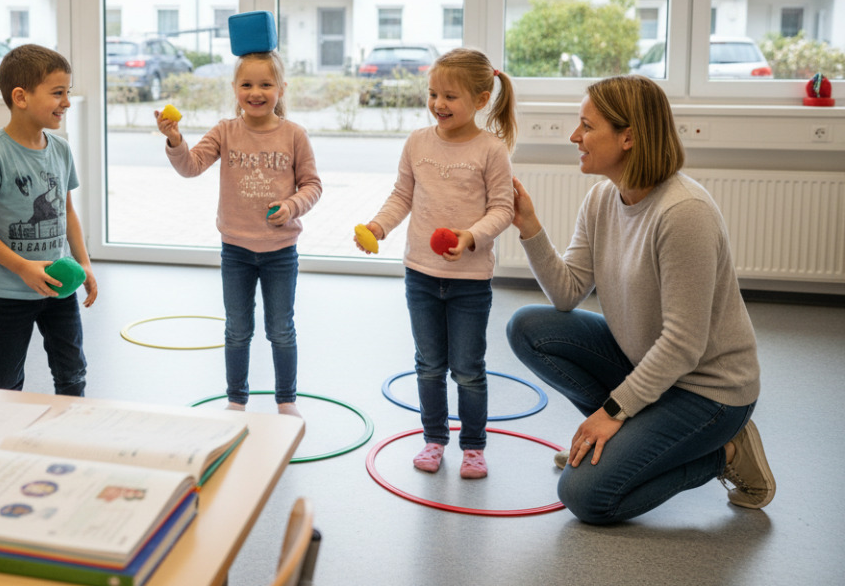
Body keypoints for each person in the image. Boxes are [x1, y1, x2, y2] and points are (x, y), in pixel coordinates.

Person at [505, 74, 774, 524]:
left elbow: (684, 344)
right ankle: (622, 441)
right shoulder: (601, 200)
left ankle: (725, 453)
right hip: (653, 369)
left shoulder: (684, 213)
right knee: (529, 328)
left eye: (587, 126)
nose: (575, 137)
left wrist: (611, 411)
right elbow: (567, 293)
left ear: (628, 137)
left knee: (585, 496)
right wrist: (529, 226)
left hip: (710, 394)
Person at [357, 48, 516, 479]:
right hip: (421, 275)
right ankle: (433, 439)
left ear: (482, 100)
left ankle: (473, 446)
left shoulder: (491, 150)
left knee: (467, 369)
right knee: (428, 365)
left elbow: (503, 208)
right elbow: (402, 197)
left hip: (469, 280)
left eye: (450, 96)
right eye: (432, 94)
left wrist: (471, 237)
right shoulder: (417, 143)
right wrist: (379, 226)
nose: (438, 104)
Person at [156, 50, 321, 417]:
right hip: (236, 250)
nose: (256, 92)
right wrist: (174, 141)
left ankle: (286, 401)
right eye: (247, 84)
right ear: (234, 88)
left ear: (281, 88)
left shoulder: (294, 135)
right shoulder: (225, 131)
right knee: (237, 329)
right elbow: (191, 167)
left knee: (280, 329)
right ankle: (236, 399)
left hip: (280, 251)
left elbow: (312, 185)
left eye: (266, 84)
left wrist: (291, 207)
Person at [0, 44, 97, 395]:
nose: (66, 102)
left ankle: (70, 436)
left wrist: (84, 263)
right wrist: (22, 267)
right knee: (5, 380)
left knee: (72, 372)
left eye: (67, 92)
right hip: (6, 291)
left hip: (58, 287)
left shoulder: (61, 149)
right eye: (57, 93)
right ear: (20, 97)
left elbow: (67, 212)